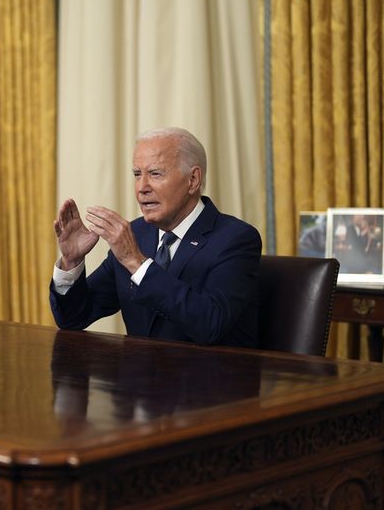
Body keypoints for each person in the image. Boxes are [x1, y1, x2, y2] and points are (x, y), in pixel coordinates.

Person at [50, 127, 262, 346]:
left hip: (208, 377)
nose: (142, 187)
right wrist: (71, 263)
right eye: (137, 174)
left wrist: (136, 262)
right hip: (139, 377)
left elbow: (210, 324)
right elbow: (73, 318)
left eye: (155, 174)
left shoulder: (236, 239)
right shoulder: (136, 235)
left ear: (193, 180)